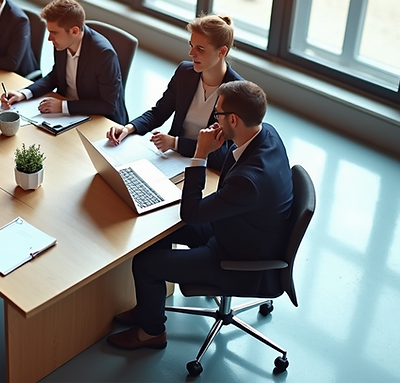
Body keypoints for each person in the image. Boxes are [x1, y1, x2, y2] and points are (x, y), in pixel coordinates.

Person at [106, 80, 293, 350]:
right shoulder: (266, 134)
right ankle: (149, 309)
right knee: (159, 228)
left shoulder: (249, 181)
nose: (213, 120)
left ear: (233, 119)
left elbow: (191, 213)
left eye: (217, 113)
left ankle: (151, 332)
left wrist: (201, 154)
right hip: (240, 227)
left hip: (238, 257)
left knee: (146, 264)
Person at [107, 15, 242, 169]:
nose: (191, 53)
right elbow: (159, 113)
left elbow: (224, 153)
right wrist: (128, 129)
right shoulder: (185, 72)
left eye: (200, 49)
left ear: (222, 52)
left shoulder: (237, 92)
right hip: (172, 160)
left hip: (205, 168)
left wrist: (175, 143)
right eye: (191, 45)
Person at [0, 0, 127, 125]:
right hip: (65, 116)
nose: (49, 39)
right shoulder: (62, 43)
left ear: (74, 31)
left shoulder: (103, 54)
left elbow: (108, 105)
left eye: (54, 33)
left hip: (100, 121)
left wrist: (63, 106)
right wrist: (23, 94)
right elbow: (55, 76)